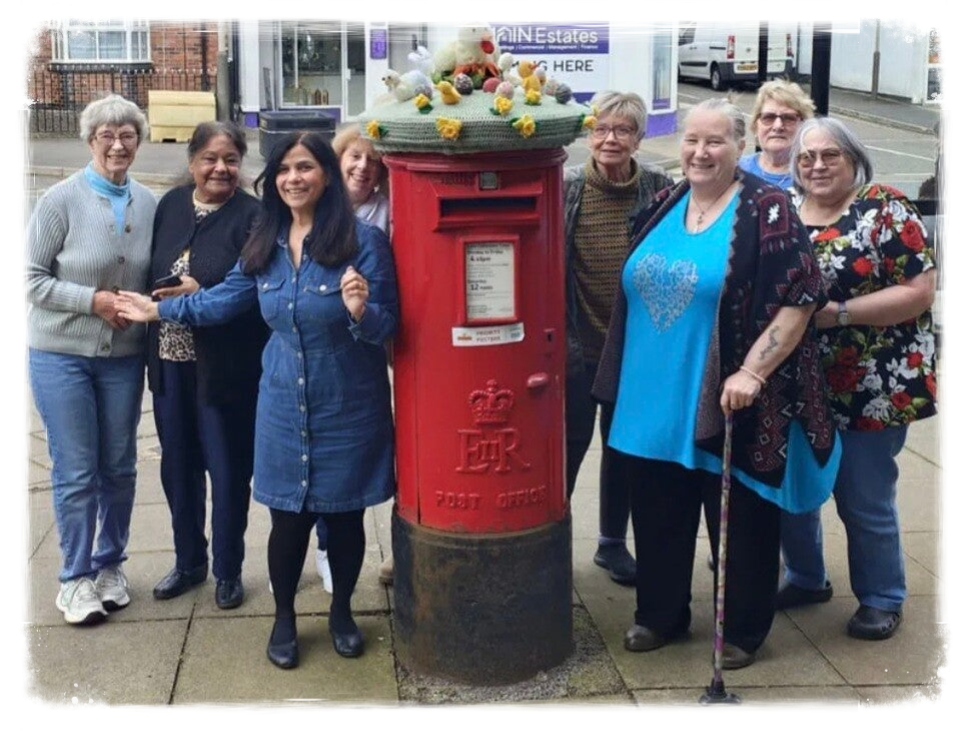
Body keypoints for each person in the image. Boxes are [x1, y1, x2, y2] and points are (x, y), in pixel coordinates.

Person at [117, 132, 398, 669]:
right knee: (288, 521)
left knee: (343, 519)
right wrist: (161, 312)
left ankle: (341, 612)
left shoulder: (364, 243)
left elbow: (393, 325)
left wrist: (363, 313)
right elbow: (226, 298)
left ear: (327, 178)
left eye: (306, 168)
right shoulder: (266, 244)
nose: (294, 178)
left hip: (347, 403)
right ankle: (285, 618)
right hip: (280, 404)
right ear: (274, 180)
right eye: (286, 169)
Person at [591, 99, 841, 669]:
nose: (700, 153)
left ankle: (744, 632)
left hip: (730, 392)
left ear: (739, 147)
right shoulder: (663, 202)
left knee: (742, 520)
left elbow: (801, 297)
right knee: (656, 512)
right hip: (649, 395)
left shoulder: (768, 208)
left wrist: (753, 370)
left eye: (715, 142)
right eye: (691, 141)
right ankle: (660, 615)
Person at [776, 118, 937, 640]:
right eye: (807, 158)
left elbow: (920, 290)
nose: (817, 166)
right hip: (796, 383)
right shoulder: (782, 211)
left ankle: (882, 596)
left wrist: (839, 312)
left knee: (862, 496)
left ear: (853, 159)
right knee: (794, 487)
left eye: (830, 156)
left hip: (875, 384)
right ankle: (804, 576)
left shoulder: (883, 207)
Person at [26, 94, 156, 625]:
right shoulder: (58, 201)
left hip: (123, 357)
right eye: (107, 135)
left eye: (128, 135)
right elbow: (29, 278)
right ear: (89, 141)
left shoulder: (149, 202)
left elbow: (153, 275)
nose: (118, 144)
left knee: (120, 468)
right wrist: (93, 302)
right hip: (62, 355)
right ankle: (74, 579)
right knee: (77, 470)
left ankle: (110, 566)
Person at [147, 122, 269, 609]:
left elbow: (255, 296)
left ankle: (228, 569)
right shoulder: (171, 206)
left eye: (231, 160)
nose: (221, 168)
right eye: (210, 159)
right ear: (192, 161)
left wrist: (206, 294)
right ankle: (188, 561)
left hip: (226, 368)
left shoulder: (254, 217)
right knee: (178, 468)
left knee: (228, 468)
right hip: (170, 363)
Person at [564, 90, 673, 585]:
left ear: (639, 138)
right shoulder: (567, 191)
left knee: (623, 447)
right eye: (602, 129)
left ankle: (611, 542)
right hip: (577, 342)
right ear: (589, 135)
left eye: (623, 130)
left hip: (637, 348)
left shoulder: (661, 190)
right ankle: (551, 536)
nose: (611, 139)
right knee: (568, 444)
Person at [308, 124, 394, 591]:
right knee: (326, 446)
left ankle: (401, 540)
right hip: (330, 343)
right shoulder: (314, 210)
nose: (364, 167)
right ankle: (326, 546)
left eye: (374, 160)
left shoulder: (392, 209)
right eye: (355, 157)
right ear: (337, 161)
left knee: (389, 445)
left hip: (382, 337)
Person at [738, 80, 815, 190]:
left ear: (803, 125)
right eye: (769, 117)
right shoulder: (736, 171)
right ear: (756, 125)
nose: (778, 126)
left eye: (788, 118)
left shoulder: (813, 176)